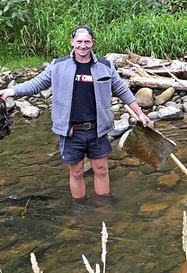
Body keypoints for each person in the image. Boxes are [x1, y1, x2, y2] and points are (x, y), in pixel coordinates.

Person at [0, 26, 152, 201]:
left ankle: (104, 209)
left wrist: (140, 114)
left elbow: (123, 91)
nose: (83, 46)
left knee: (101, 169)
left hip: (98, 129)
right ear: (72, 42)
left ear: (93, 43)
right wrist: (12, 91)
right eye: (79, 41)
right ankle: (80, 210)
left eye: (87, 42)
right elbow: (36, 83)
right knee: (77, 171)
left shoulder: (105, 67)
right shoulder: (58, 66)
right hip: (71, 131)